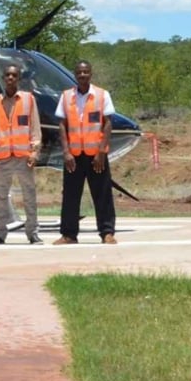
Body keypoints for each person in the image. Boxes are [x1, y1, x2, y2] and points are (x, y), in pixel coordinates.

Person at [55, 60, 117, 245]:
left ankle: (107, 232)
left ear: (91, 74)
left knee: (103, 194)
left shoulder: (101, 95)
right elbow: (61, 125)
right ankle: (69, 234)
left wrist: (101, 152)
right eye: (79, 72)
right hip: (73, 155)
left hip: (95, 155)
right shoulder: (66, 96)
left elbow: (107, 124)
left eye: (86, 72)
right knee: (70, 195)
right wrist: (65, 152)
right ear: (75, 74)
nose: (82, 75)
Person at [0, 63, 42, 244]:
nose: (10, 78)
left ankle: (32, 232)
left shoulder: (28, 100)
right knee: (1, 196)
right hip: (3, 157)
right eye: (7, 75)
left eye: (14, 76)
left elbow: (35, 127)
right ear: (3, 78)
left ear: (18, 79)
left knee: (29, 194)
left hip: (24, 156)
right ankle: (0, 234)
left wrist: (34, 151)